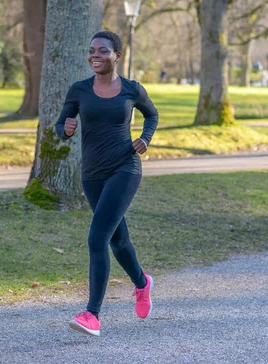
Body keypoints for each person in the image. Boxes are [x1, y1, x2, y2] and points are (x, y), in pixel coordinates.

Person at [55, 30, 158, 337]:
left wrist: (145, 138)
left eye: (102, 51)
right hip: (92, 174)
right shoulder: (79, 90)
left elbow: (151, 115)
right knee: (117, 240)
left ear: (117, 56)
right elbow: (62, 124)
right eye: (91, 51)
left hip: (125, 168)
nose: (95, 55)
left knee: (97, 238)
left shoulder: (131, 89)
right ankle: (142, 283)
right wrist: (67, 129)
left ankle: (92, 314)